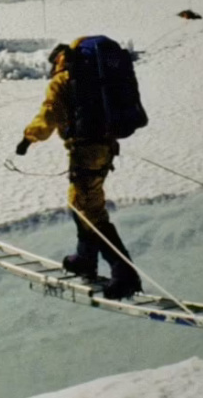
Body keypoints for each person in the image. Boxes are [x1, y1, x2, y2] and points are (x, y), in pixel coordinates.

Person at [16, 42, 142, 300]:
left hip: (85, 151)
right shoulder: (96, 77)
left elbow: (48, 115)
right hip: (105, 148)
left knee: (89, 209)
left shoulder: (64, 80)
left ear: (58, 60)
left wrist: (29, 138)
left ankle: (124, 272)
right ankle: (85, 257)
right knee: (81, 203)